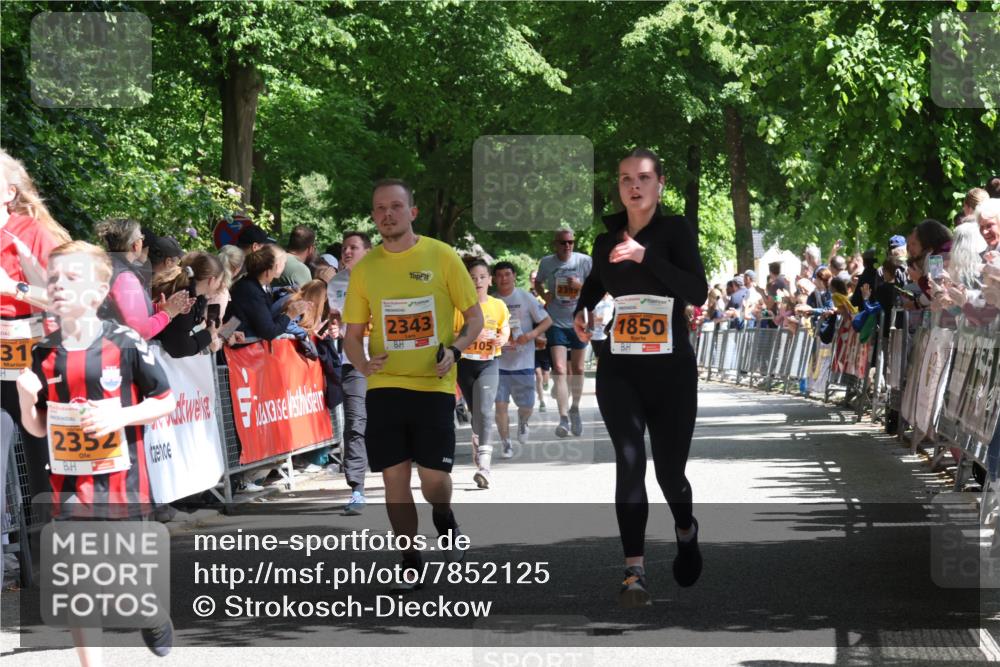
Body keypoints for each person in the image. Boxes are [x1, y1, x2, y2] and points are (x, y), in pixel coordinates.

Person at [16, 241, 178, 662]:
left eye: (72, 278)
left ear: (98, 290)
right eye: (54, 279)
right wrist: (23, 400)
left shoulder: (122, 342)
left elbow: (166, 400)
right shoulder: (42, 353)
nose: (59, 287)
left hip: (122, 483)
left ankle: (152, 612)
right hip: (68, 484)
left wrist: (118, 418)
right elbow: (38, 427)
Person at [573, 148, 708, 607]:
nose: (634, 186)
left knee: (671, 474)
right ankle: (635, 572)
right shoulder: (604, 238)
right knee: (630, 461)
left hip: (671, 373)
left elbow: (697, 290)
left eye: (644, 178)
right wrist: (581, 311)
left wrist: (646, 256)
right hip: (620, 368)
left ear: (660, 183)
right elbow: (595, 286)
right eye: (626, 178)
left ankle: (686, 530)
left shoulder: (676, 231)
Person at [343, 179, 483, 587]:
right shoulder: (366, 269)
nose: (387, 214)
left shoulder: (441, 256)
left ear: (412, 212)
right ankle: (410, 560)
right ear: (374, 216)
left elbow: (473, 319)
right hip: (385, 385)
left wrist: (455, 351)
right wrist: (364, 365)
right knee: (393, 478)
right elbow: (352, 335)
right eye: (380, 208)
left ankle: (444, 515)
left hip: (434, 384)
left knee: (433, 480)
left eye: (396, 207)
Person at [0, 148, 72, 505]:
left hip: (32, 355)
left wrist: (13, 288)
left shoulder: (31, 233)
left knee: (38, 446)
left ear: (9, 193)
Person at [454, 257, 509, 489]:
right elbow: (451, 338)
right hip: (465, 364)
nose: (477, 281)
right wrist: (471, 337)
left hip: (489, 363)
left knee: (486, 409)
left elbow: (505, 329)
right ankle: (478, 443)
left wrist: (500, 338)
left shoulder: (498, 305)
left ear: (490, 280)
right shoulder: (458, 308)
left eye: (482, 277)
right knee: (476, 411)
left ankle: (484, 466)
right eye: (472, 277)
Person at [327, 231, 372, 514]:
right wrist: (335, 330)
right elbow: (336, 322)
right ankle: (357, 488)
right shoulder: (335, 283)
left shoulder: (382, 278)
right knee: (355, 423)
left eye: (353, 247)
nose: (347, 252)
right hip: (352, 361)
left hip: (386, 360)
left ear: (367, 251)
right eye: (344, 248)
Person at [534, 228, 592, 438]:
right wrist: (544, 295)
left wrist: (581, 286)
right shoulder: (547, 263)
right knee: (559, 368)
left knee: (577, 368)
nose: (567, 246)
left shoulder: (584, 261)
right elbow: (538, 282)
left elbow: (598, 286)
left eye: (571, 242)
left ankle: (575, 408)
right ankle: (563, 417)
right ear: (555, 244)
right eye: (563, 243)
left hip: (578, 321)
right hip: (556, 321)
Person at [96, 218, 194, 340]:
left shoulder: (108, 263)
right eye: (141, 238)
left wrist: (159, 308)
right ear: (135, 245)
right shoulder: (125, 277)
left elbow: (121, 309)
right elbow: (141, 331)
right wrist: (168, 313)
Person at [492, 261, 551, 459]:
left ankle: (523, 422)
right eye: (499, 275)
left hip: (523, 361)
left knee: (526, 407)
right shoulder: (491, 301)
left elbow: (547, 320)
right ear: (494, 278)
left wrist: (531, 335)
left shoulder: (525, 297)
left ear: (514, 276)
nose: (503, 279)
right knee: (500, 405)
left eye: (507, 274)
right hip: (498, 362)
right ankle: (506, 443)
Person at [151, 252, 226, 358]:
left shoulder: (191, 293)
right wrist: (208, 334)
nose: (220, 285)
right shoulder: (185, 299)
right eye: (219, 281)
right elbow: (179, 347)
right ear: (212, 280)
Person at [225, 245, 309, 341]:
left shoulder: (250, 284)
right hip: (232, 346)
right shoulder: (252, 292)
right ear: (268, 272)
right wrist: (289, 315)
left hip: (233, 338)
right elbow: (269, 332)